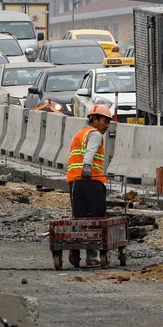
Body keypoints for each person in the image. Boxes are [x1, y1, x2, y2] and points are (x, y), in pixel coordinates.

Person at [65, 103, 113, 267]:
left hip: (75, 181)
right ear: (94, 119)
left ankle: (76, 248)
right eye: (104, 121)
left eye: (108, 122)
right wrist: (87, 166)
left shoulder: (80, 134)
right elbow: (90, 152)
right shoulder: (95, 134)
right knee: (95, 217)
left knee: (79, 217)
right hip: (92, 181)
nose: (106, 126)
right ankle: (92, 256)